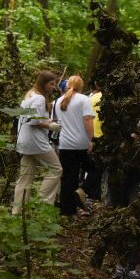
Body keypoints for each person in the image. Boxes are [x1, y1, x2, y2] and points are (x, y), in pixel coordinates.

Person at [12, 70, 62, 213]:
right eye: (51, 84)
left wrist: (46, 121)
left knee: (25, 178)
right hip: (36, 142)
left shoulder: (30, 94)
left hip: (24, 142)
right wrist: (51, 126)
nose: (54, 87)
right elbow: (34, 121)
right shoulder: (39, 98)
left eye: (55, 84)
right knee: (56, 169)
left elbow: (33, 118)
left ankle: (17, 212)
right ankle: (44, 204)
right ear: (43, 83)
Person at [56, 75, 97, 217]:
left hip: (64, 144)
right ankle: (83, 190)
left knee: (68, 177)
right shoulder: (84, 100)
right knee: (94, 169)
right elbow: (88, 120)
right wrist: (90, 140)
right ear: (81, 86)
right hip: (80, 143)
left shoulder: (59, 101)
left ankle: (67, 211)